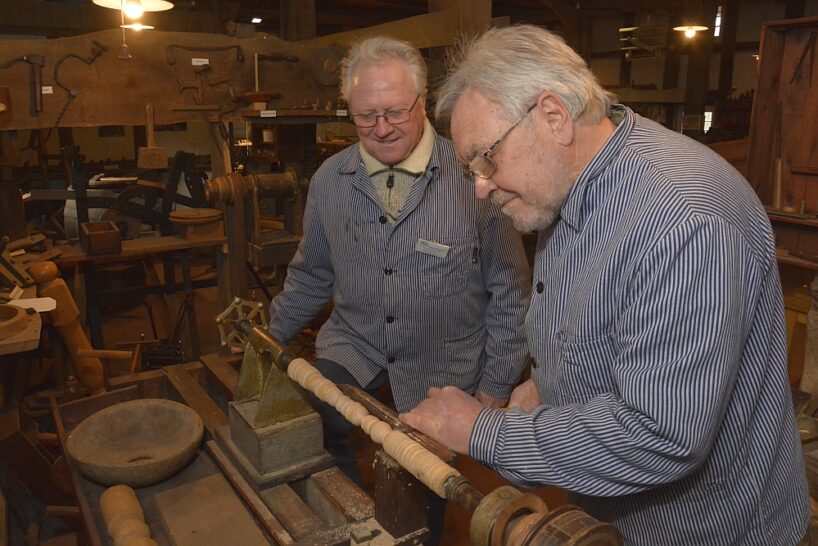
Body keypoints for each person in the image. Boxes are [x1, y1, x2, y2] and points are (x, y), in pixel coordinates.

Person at [401, 24, 811, 545]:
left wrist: (479, 431)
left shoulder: (681, 220)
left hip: (707, 530)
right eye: (469, 169)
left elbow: (661, 435)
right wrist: (546, 386)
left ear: (553, 117)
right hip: (611, 518)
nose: (480, 187)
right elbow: (604, 332)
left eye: (487, 158)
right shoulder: (567, 190)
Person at [267, 35, 530, 490]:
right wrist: (267, 338)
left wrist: (494, 387)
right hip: (356, 346)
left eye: (395, 112)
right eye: (366, 116)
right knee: (316, 422)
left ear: (422, 103)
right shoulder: (331, 179)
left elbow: (510, 291)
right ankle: (348, 516)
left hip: (444, 363)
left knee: (418, 481)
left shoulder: (475, 177)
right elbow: (311, 273)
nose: (382, 128)